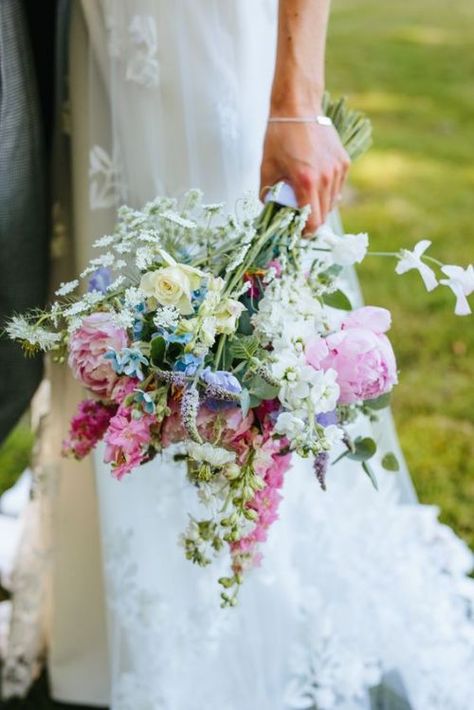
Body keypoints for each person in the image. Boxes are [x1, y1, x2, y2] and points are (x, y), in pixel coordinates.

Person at [3, 2, 474, 709]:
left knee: (237, 319)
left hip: (209, 45)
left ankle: (257, 616)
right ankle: (111, 630)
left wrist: (296, 104)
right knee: (121, 311)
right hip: (101, 50)